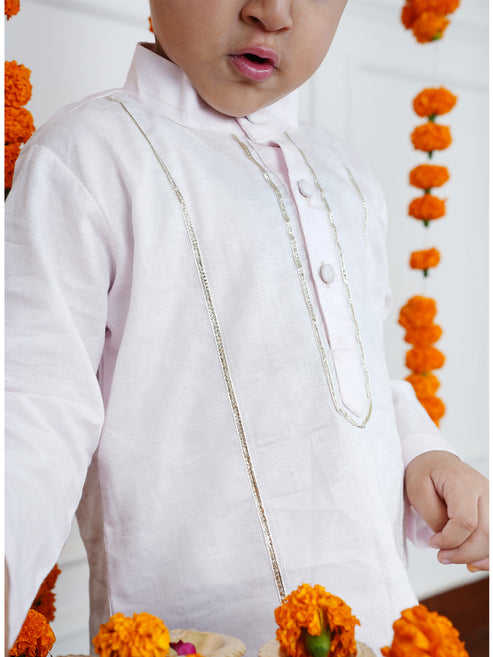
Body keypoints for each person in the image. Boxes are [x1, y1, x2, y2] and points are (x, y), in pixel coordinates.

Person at [5, 0, 489, 655]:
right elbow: (34, 407)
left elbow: (361, 375)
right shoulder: (90, 157)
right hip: (193, 634)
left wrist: (421, 454)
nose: (272, 13)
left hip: (380, 625)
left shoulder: (347, 178)